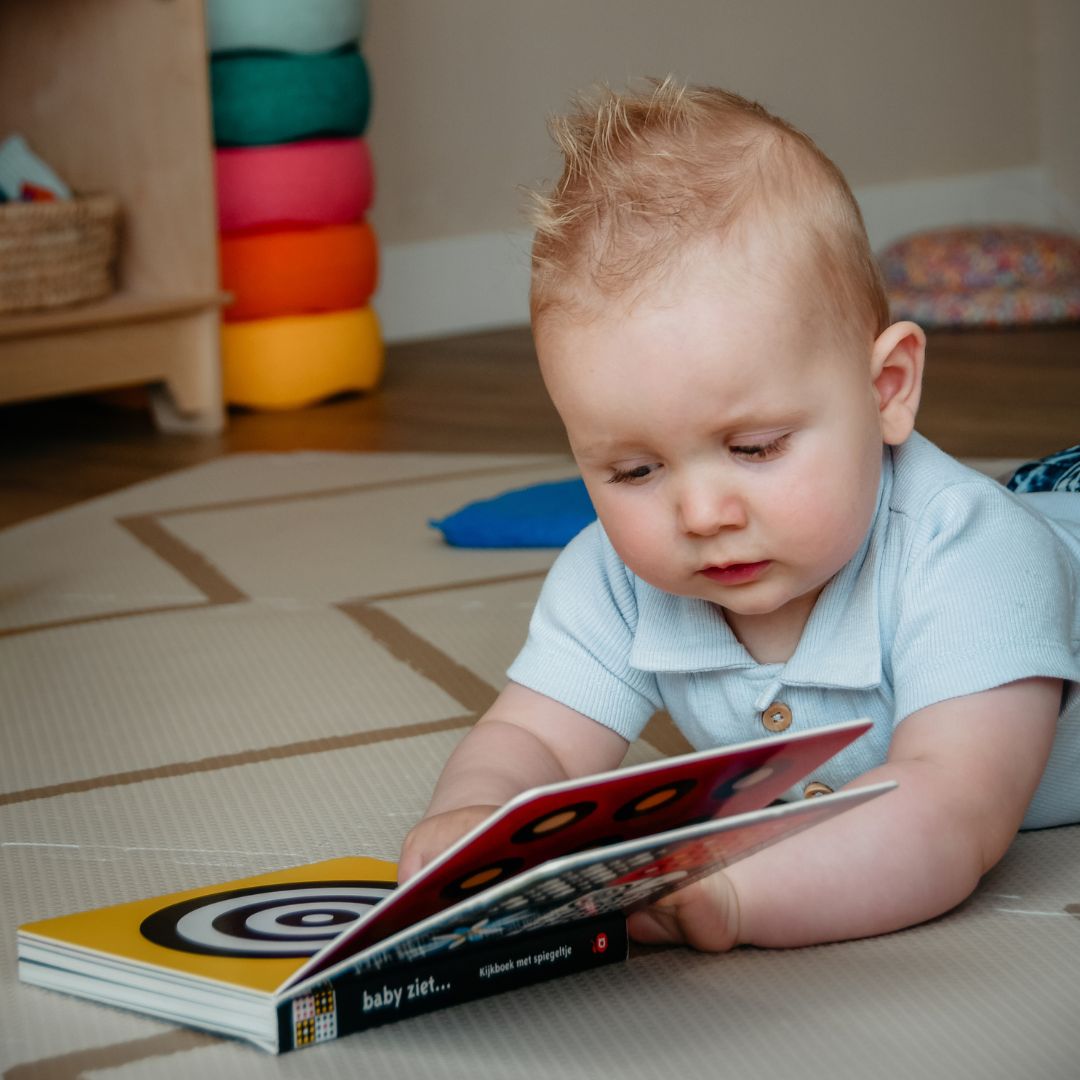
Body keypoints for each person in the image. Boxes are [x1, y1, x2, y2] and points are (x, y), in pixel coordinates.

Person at [399, 78, 1080, 951]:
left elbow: (953, 812)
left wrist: (736, 894)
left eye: (754, 448)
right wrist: (476, 818)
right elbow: (536, 736)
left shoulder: (973, 555)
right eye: (635, 469)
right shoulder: (615, 579)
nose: (701, 512)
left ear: (886, 391)